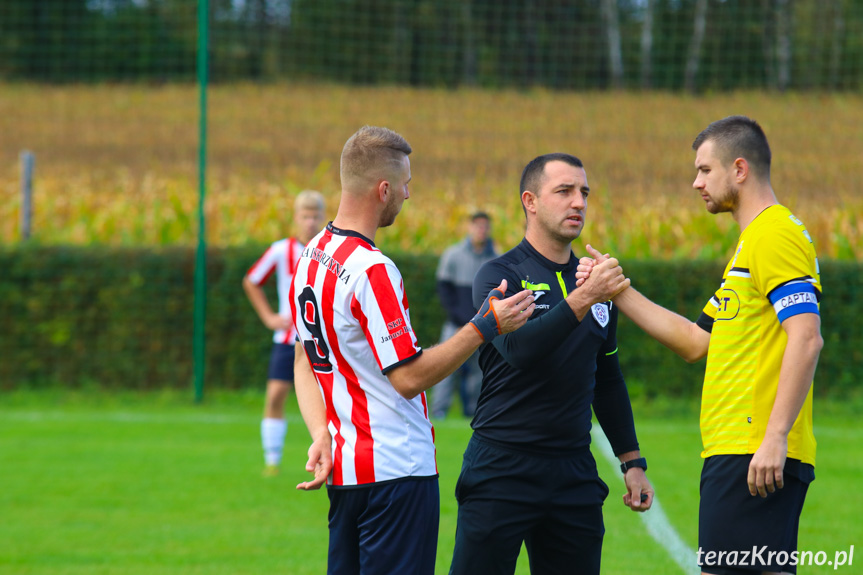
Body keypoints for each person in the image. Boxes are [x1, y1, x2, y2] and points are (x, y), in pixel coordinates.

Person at [578, 116, 823, 575]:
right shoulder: (750, 245)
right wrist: (618, 289)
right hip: (739, 447)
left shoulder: (774, 234)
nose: (696, 182)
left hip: (751, 447)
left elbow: (806, 337)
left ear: (740, 169)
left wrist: (774, 436)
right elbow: (696, 341)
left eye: (704, 170)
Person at [289, 125, 535, 575]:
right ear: (383, 190)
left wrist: (321, 433)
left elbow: (303, 359)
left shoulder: (310, 254)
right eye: (405, 184)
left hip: (347, 471)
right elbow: (408, 378)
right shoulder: (372, 269)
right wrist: (486, 325)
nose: (409, 193)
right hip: (396, 473)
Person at [449, 153, 654, 575]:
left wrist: (632, 463)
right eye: (564, 191)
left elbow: (608, 377)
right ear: (531, 201)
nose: (578, 202)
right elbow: (519, 351)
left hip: (573, 471)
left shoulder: (594, 280)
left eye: (584, 193)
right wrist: (584, 298)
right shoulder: (500, 275)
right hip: (501, 466)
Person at [242, 190, 326, 477]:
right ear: (296, 218)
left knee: (330, 399)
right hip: (286, 340)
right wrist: (268, 317)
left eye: (315, 216)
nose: (310, 222)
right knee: (276, 395)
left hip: (319, 340)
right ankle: (272, 460)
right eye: (305, 216)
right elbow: (252, 280)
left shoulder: (330, 252)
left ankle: (332, 455)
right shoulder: (281, 250)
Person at [432, 211, 499, 418]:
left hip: (482, 326)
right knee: (445, 369)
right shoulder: (453, 254)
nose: (481, 230)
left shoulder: (494, 258)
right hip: (455, 325)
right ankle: (439, 412)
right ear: (470, 227)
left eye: (485, 226)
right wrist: (459, 317)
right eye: (477, 225)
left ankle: (473, 413)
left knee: (478, 372)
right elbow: (444, 290)